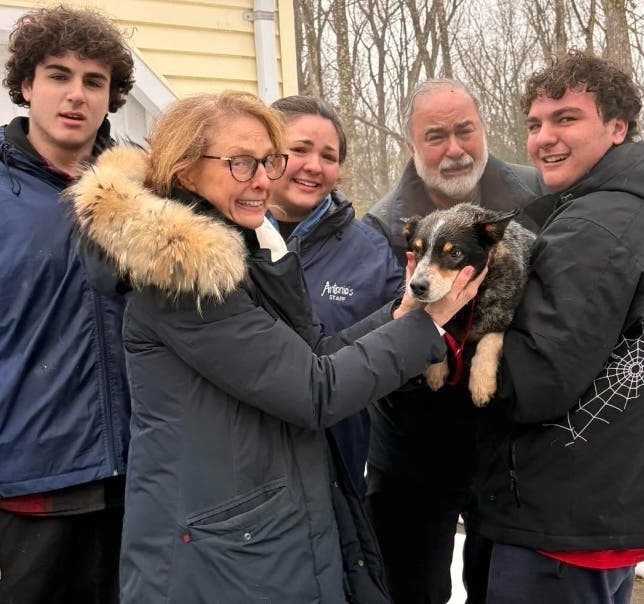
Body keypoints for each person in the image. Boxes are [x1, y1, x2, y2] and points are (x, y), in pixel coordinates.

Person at [67, 90, 485, 603]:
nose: (264, 179)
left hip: (257, 523)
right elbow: (316, 392)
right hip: (219, 545)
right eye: (242, 163)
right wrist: (429, 325)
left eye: (269, 161)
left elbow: (315, 355)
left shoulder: (249, 250)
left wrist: (403, 314)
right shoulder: (183, 277)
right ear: (184, 170)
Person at [470, 49, 644, 604]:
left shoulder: (597, 227)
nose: (544, 138)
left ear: (617, 127)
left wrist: (452, 339)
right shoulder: (636, 210)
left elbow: (529, 384)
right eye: (534, 124)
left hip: (561, 521)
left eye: (566, 118)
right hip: (601, 508)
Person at [0, 6, 135, 602]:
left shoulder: (138, 196)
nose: (76, 95)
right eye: (58, 75)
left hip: (133, 500)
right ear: (26, 85)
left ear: (111, 96)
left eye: (94, 81)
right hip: (14, 505)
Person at [363, 78, 543, 604]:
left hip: (510, 450)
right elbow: (373, 341)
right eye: (435, 135)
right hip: (412, 453)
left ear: (483, 129)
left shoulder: (539, 199)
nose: (455, 148)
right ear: (411, 145)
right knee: (409, 589)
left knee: (502, 592)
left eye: (465, 130)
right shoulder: (379, 227)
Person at [269, 95, 403, 496]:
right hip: (243, 474)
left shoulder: (370, 254)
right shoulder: (224, 240)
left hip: (334, 471)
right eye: (299, 150)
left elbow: (401, 347)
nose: (314, 166)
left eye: (329, 156)